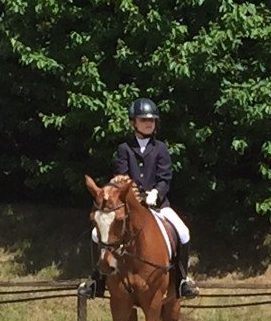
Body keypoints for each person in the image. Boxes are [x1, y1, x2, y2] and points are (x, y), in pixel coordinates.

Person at [78, 97, 199, 299]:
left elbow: (165, 177)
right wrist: (133, 193)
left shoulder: (160, 148)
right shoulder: (124, 149)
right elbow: (122, 177)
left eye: (152, 120)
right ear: (133, 122)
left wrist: (156, 193)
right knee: (94, 234)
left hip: (158, 205)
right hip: (131, 206)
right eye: (144, 120)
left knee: (183, 232)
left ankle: (181, 281)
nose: (149, 123)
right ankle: (97, 281)